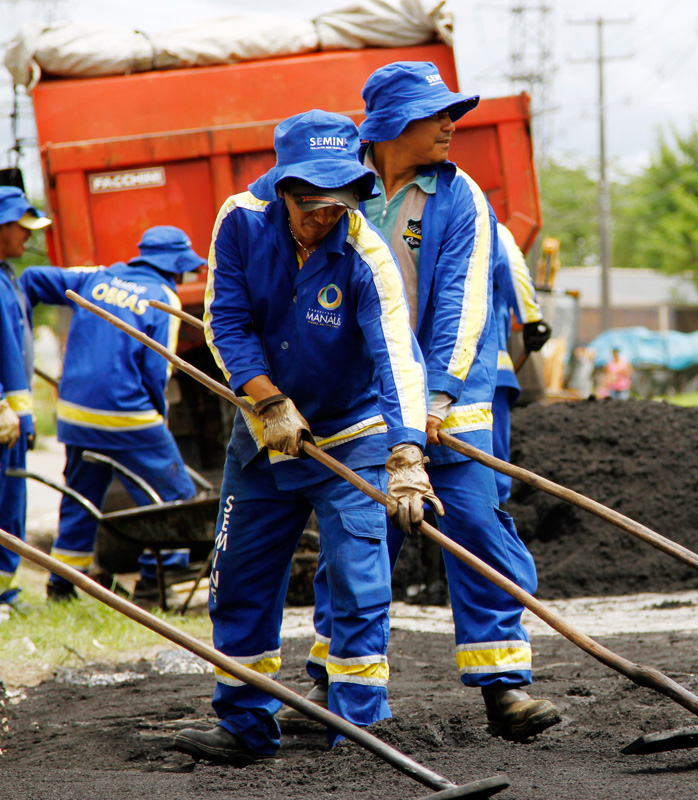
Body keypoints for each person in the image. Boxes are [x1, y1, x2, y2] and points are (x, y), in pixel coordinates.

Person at [285, 62, 560, 743]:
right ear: (390, 125)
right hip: (361, 396)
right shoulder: (337, 186)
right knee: (357, 532)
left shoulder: (459, 195)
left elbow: (465, 308)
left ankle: (505, 686)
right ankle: (331, 677)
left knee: (473, 524)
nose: (450, 125)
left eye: (451, 114)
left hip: (455, 391)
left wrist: (432, 401)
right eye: (436, 114)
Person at [171, 110, 436, 765]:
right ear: (283, 190)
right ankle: (245, 722)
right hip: (263, 437)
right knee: (238, 578)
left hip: (354, 433)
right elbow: (225, 324)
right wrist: (271, 402)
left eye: (341, 203)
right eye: (312, 205)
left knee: (357, 576)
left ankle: (360, 727)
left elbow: (396, 355)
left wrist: (406, 453)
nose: (326, 218)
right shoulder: (238, 221)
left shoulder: (366, 253)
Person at [19, 226, 205, 603]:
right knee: (175, 496)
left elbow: (31, 278)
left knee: (80, 496)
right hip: (127, 417)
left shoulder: (97, 277)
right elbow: (157, 371)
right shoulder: (162, 298)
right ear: (175, 267)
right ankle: (159, 578)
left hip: (75, 416)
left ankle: (63, 584)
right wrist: (158, 418)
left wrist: (15, 326)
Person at [0, 187, 49, 606]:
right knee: (3, 502)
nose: (27, 238)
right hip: (4, 418)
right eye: (21, 228)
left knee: (12, 502)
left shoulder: (8, 277)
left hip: (14, 419)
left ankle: (5, 587)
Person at [491, 222, 550, 503]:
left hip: (419, 369)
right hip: (486, 368)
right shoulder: (482, 219)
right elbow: (511, 264)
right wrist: (531, 319)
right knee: (491, 470)